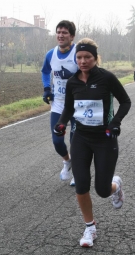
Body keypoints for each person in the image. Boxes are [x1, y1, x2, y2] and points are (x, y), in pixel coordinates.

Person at [54, 38, 131, 248]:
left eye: (87, 57)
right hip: (80, 138)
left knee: (102, 191)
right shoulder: (73, 82)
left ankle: (115, 186)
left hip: (105, 138)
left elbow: (126, 101)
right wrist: (61, 124)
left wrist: (115, 122)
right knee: (81, 184)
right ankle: (90, 227)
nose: (83, 61)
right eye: (79, 57)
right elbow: (69, 109)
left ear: (95, 58)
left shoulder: (107, 78)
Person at [41, 20, 78, 186]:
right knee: (57, 141)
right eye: (58, 32)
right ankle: (67, 161)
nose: (61, 35)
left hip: (78, 105)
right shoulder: (51, 54)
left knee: (75, 142)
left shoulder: (78, 52)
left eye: (64, 32)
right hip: (58, 104)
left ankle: (78, 172)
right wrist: (47, 88)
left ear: (72, 36)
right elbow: (45, 71)